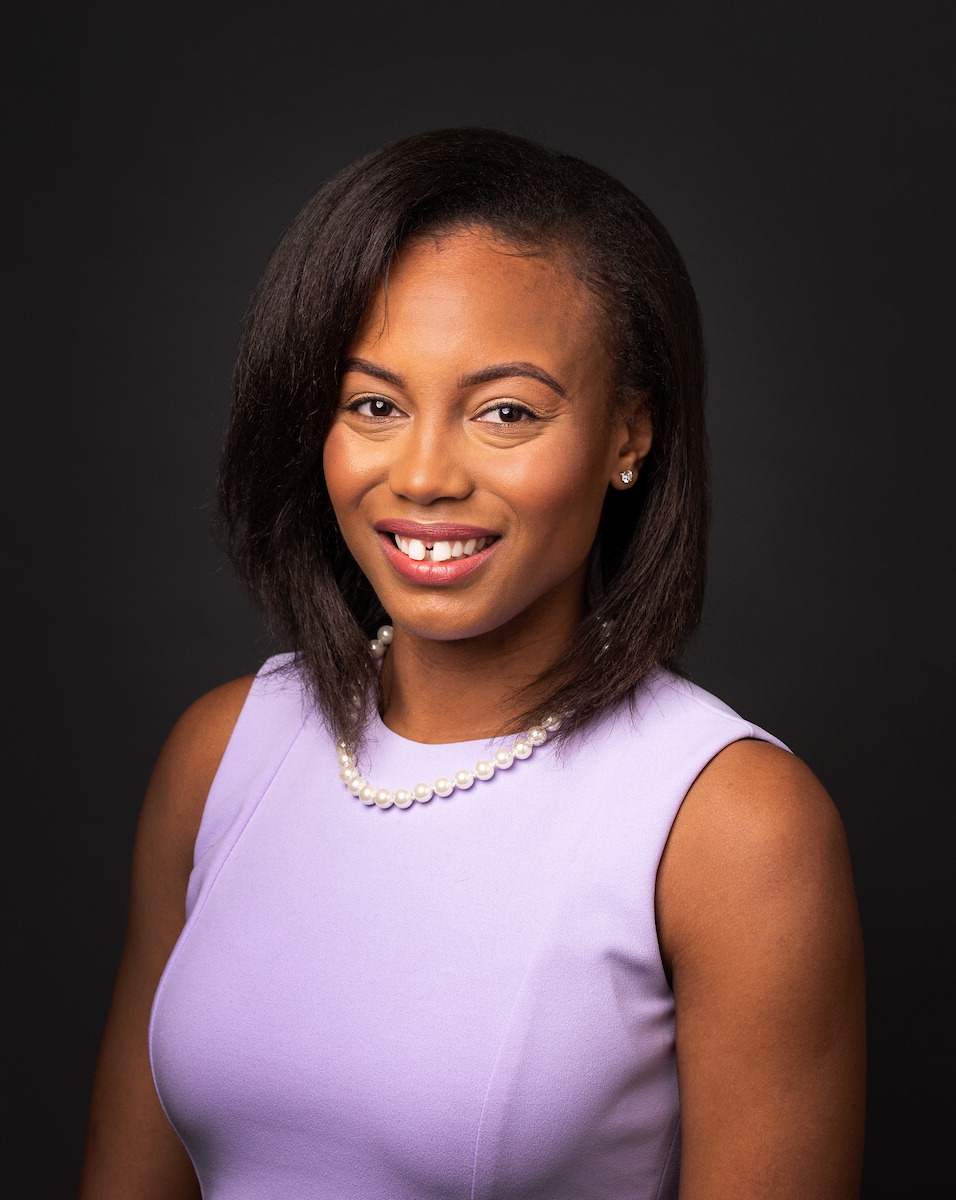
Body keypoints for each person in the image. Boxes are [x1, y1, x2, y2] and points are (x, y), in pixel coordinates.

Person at [78, 127, 866, 1199]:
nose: (423, 475)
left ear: (627, 437)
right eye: (374, 404)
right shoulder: (222, 753)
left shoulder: (731, 824)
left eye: (505, 412)